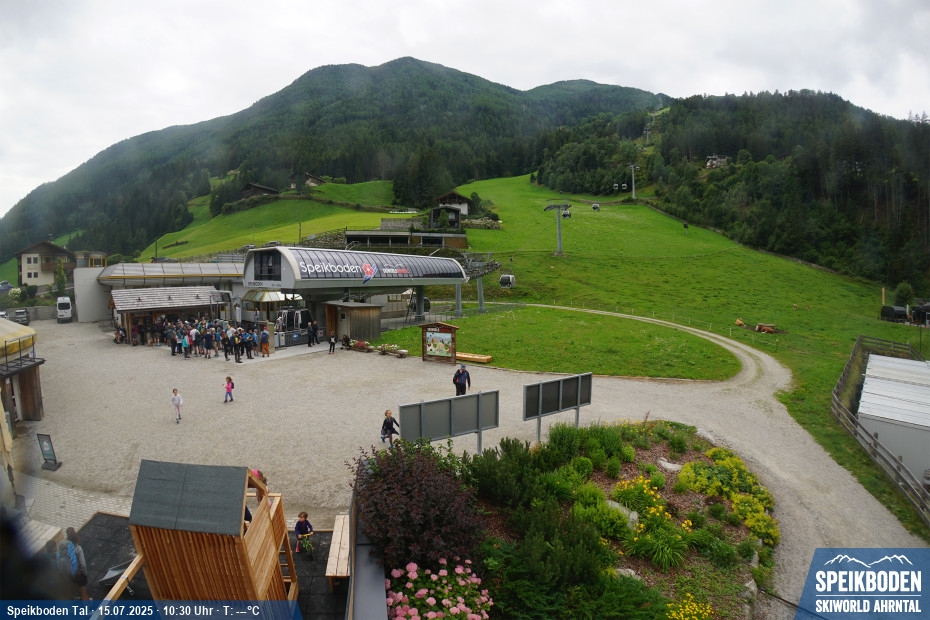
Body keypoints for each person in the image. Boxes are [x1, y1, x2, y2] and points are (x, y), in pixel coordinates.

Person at [59, 527, 88, 600]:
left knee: (73, 588)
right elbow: (83, 564)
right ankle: (86, 603)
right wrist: (85, 573)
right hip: (78, 573)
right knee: (83, 592)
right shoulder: (78, 548)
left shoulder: (63, 546)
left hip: (68, 573)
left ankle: (75, 599)